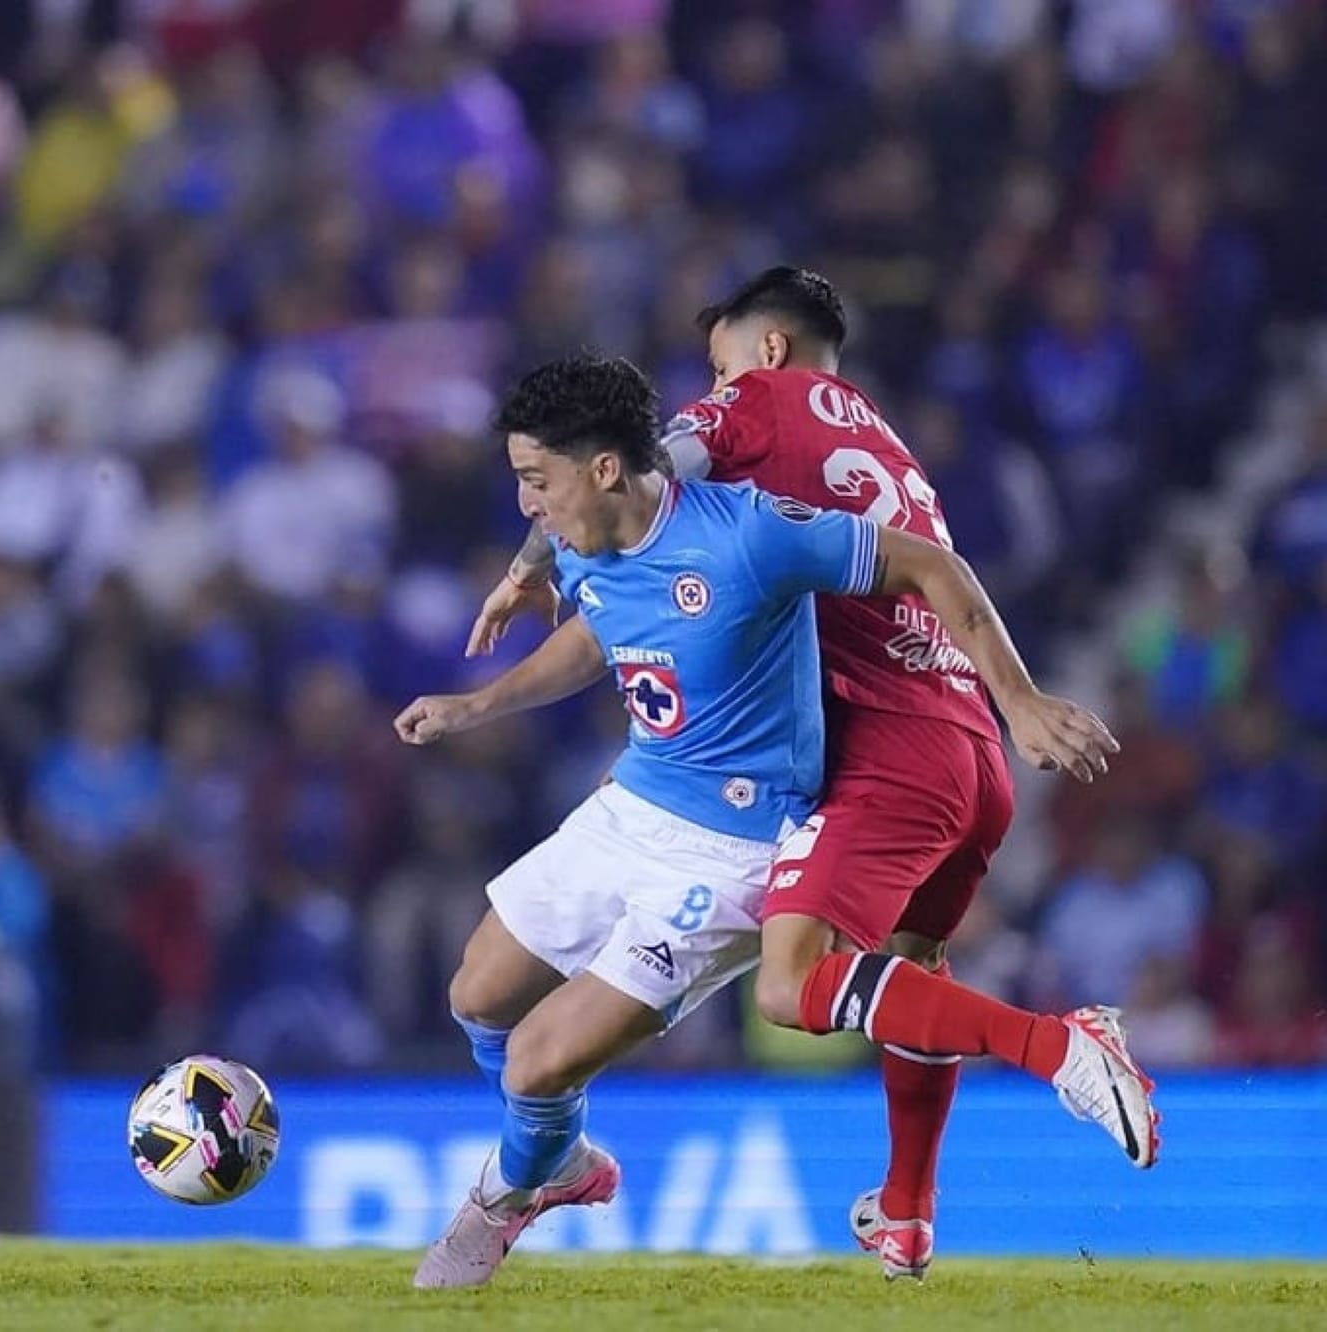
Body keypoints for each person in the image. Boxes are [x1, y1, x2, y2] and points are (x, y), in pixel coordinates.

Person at [398, 350, 1142, 1290]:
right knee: (477, 995)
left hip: (734, 853)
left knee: (539, 1062)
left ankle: (499, 1201)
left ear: (604, 470)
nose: (526, 508)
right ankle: (563, 1165)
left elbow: (928, 564)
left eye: (534, 481)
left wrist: (1020, 700)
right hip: (634, 801)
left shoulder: (750, 537)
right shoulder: (585, 544)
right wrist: (477, 705)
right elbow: (601, 634)